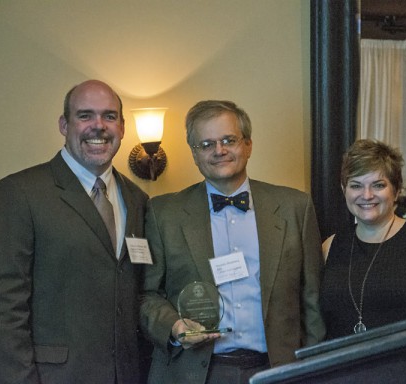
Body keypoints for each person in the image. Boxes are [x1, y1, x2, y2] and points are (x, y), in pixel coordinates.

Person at [139, 100, 325, 384]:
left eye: (229, 140)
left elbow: (312, 299)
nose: (219, 151)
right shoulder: (164, 213)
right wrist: (174, 327)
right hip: (195, 372)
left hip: (278, 369)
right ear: (194, 154)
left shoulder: (295, 207)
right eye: (206, 144)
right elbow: (146, 295)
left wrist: (315, 371)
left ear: (248, 145)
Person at [0, 80, 150, 384]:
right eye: (85, 115)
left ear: (122, 128)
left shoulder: (138, 200)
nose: (98, 126)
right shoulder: (19, 193)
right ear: (64, 124)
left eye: (109, 116)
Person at [320, 139, 406, 340]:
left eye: (378, 185)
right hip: (343, 369)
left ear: (396, 190)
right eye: (356, 185)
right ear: (344, 191)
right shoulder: (330, 246)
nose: (367, 195)